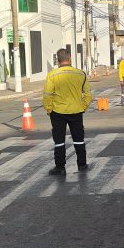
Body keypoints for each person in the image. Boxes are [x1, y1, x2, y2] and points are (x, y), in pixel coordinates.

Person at [43, 48, 92, 176]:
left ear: (58, 61)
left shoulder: (52, 75)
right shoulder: (81, 74)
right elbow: (87, 94)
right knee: (79, 139)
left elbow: (47, 95)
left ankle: (60, 167)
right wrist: (83, 107)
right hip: (76, 111)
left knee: (59, 140)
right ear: (70, 59)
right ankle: (82, 164)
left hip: (58, 112)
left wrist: (49, 110)